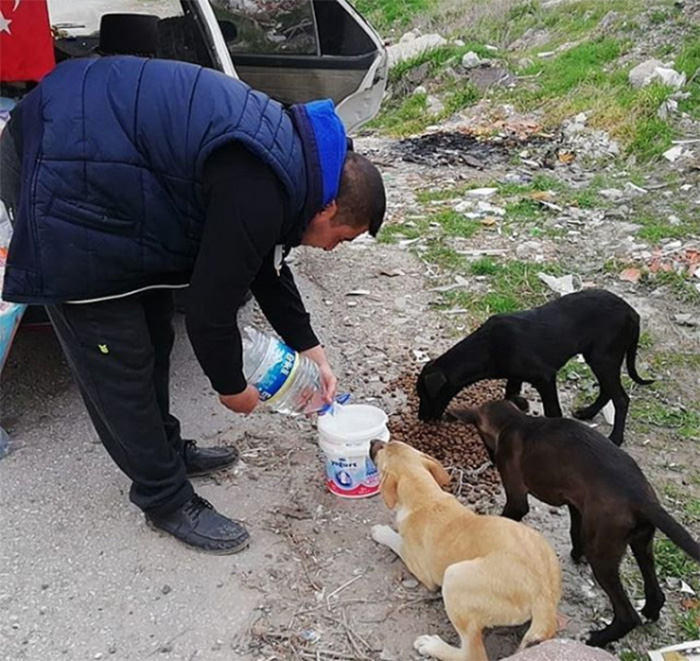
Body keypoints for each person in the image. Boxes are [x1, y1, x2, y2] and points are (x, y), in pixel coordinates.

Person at [0, 55, 386, 554]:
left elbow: (264, 259)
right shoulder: (263, 184)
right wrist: (232, 389)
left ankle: (167, 452)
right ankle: (164, 498)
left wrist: (309, 348)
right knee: (118, 356)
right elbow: (210, 310)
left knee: (156, 329)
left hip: (108, 164)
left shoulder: (300, 164)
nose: (335, 248)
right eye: (344, 237)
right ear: (329, 207)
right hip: (61, 170)